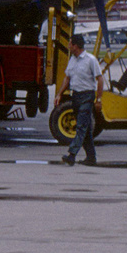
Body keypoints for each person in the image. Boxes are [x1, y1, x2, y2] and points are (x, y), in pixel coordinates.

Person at [55, 34, 104, 166]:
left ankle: (72, 155)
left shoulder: (90, 60)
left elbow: (100, 79)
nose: (68, 46)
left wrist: (98, 99)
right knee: (86, 130)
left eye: (70, 44)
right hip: (75, 96)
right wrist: (59, 94)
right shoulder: (72, 59)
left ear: (75, 46)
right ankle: (91, 158)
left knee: (81, 127)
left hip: (87, 96)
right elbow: (67, 78)